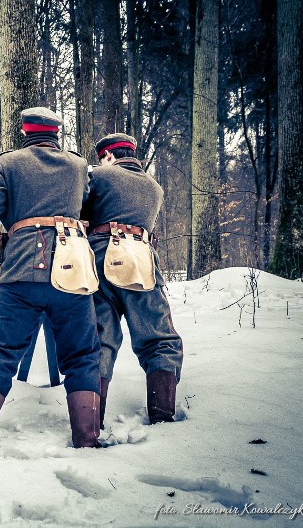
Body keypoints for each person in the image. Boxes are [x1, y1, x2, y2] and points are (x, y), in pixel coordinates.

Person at [0, 107, 102, 451]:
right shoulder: (79, 165)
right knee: (82, 356)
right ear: (56, 134)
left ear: (26, 131)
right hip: (72, 273)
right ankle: (87, 438)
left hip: (21, 271)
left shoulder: (6, 164)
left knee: (1, 354)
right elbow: (86, 209)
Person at [82, 133, 183, 426]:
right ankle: (163, 413)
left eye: (102, 158)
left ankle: (91, 421)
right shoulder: (155, 188)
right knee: (159, 336)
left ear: (109, 156)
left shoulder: (98, 177)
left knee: (99, 337)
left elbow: (81, 214)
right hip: (141, 260)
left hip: (100, 257)